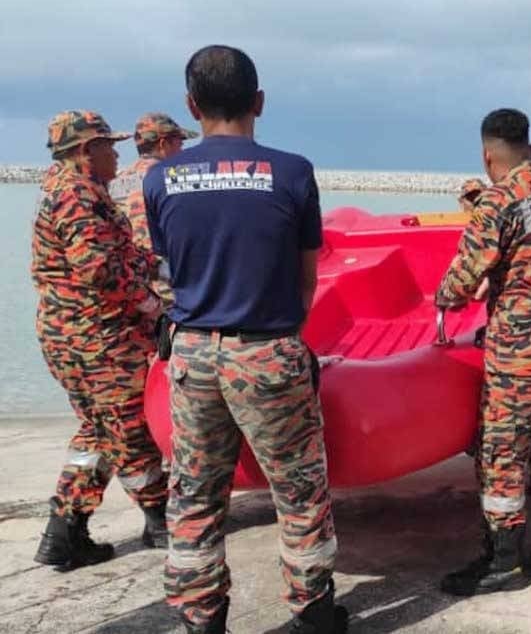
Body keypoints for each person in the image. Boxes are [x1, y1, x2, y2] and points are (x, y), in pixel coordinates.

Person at [144, 46, 345, 634]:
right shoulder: (293, 172)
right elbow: (307, 277)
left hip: (192, 353)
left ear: (191, 106)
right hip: (268, 348)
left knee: (196, 496)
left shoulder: (160, 179)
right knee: (300, 492)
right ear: (259, 102)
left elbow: (173, 269)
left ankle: (201, 620)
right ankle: (314, 615)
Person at [436, 108, 531, 594]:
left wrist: (439, 297)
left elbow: (460, 281)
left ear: (488, 155)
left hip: (520, 352)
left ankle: (504, 562)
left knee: (502, 453)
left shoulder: (499, 202)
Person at [32, 110, 169, 570]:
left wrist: (157, 267)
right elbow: (101, 271)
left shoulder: (81, 191)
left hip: (77, 334)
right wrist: (154, 306)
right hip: (97, 338)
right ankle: (160, 521)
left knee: (97, 430)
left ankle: (65, 531)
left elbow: (119, 256)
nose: (116, 154)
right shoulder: (74, 195)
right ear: (85, 151)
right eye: (108, 145)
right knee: (131, 429)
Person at [109, 113, 198, 307]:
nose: (182, 151)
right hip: (167, 286)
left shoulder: (115, 181)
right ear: (163, 144)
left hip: (129, 286)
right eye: (179, 144)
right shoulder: (175, 177)